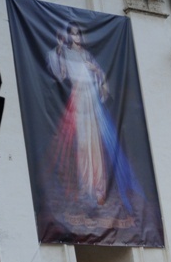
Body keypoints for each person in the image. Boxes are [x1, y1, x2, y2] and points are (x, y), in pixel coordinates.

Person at [46, 21, 141, 213]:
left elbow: (101, 76)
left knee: (95, 145)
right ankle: (85, 187)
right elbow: (61, 75)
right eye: (73, 34)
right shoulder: (64, 53)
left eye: (78, 34)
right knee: (82, 144)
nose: (76, 38)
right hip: (78, 100)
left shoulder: (87, 55)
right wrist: (58, 47)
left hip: (93, 101)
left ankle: (99, 187)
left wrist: (95, 70)